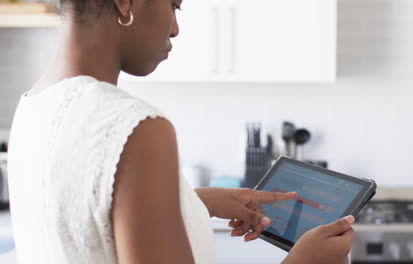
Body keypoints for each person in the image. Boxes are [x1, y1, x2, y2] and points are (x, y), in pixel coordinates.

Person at [7, 0, 355, 263]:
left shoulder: (35, 104)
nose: (175, 28)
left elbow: (84, 228)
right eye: (173, 5)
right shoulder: (135, 126)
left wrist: (193, 202)